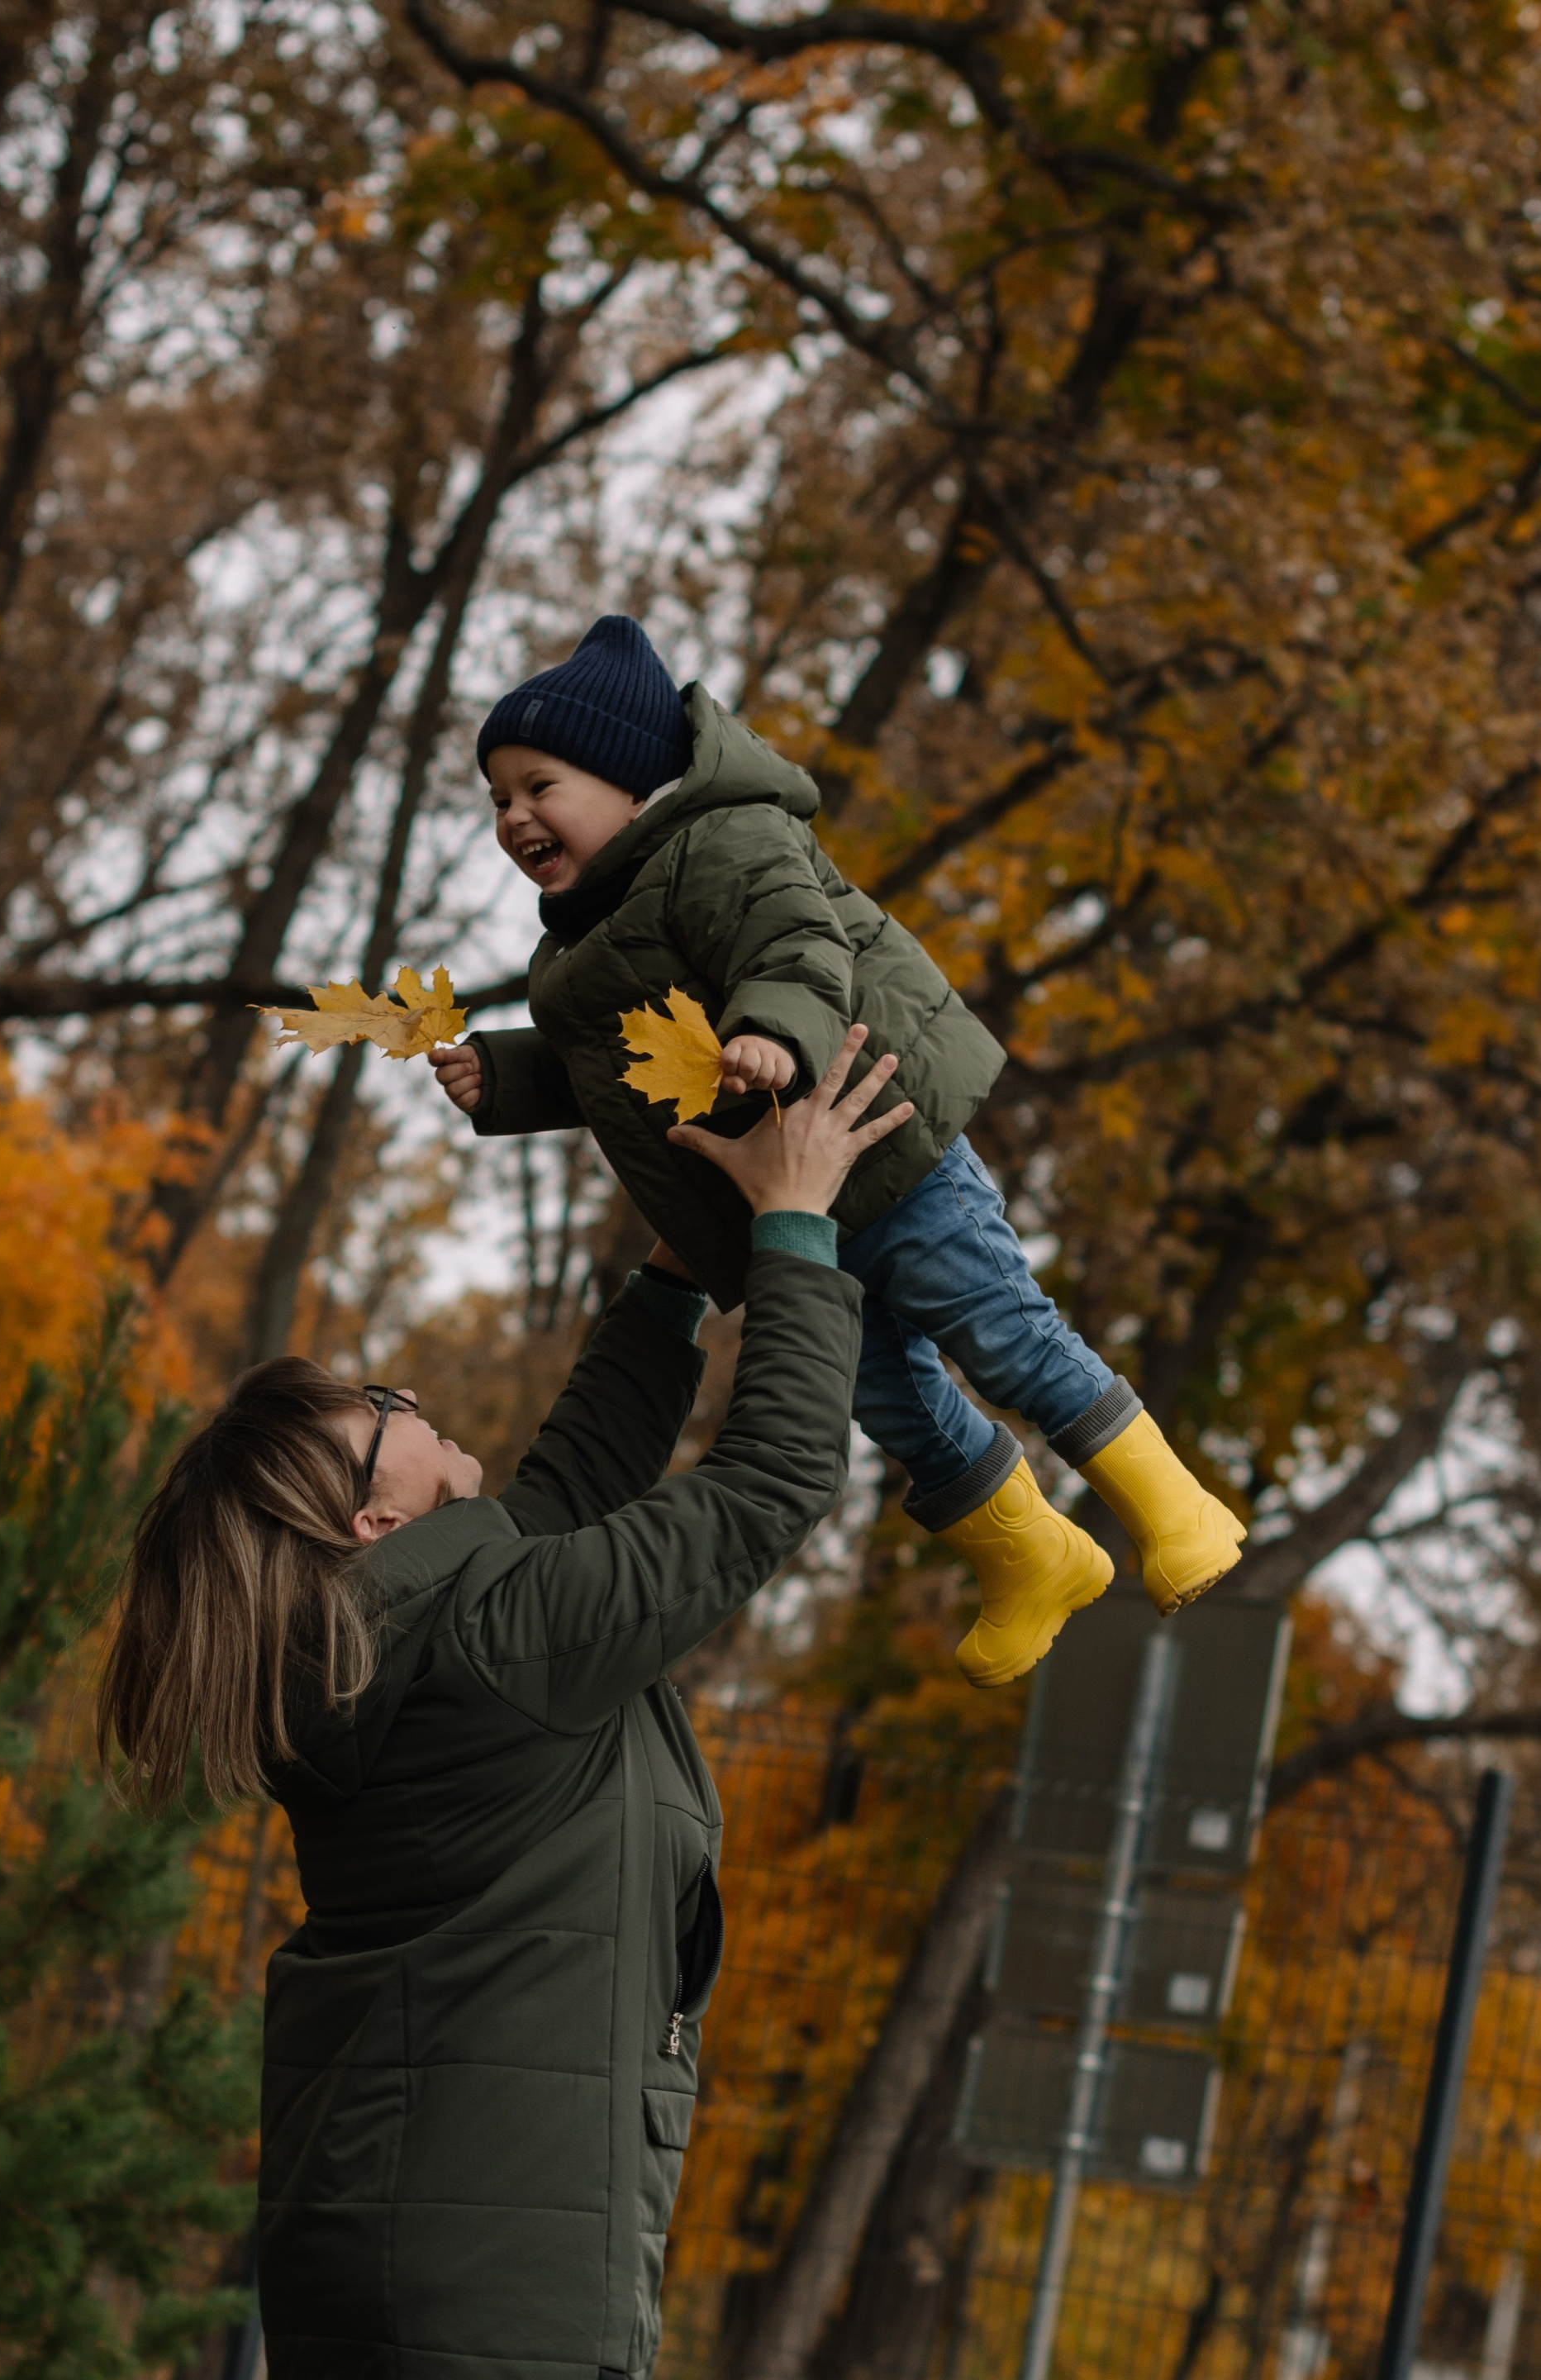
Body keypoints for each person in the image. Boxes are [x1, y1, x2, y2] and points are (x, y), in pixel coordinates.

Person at [94, 1042, 910, 2380]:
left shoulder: (412, 1629)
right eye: (397, 1417)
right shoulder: (490, 1637)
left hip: (422, 2212)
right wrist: (801, 1224)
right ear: (371, 1504)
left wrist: (676, 1269)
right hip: (492, 2224)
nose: (433, 1412)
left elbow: (570, 1475)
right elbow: (760, 1491)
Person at [431, 613, 1247, 1687]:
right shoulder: (579, 945)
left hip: (881, 1143)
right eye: (498, 800)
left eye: (541, 785)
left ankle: (1174, 1506)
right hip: (787, 1211)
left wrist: (774, 1032)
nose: (515, 816)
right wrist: (511, 1076)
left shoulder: (726, 843)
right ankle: (1032, 1556)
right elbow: (621, 1060)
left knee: (998, 1328)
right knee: (888, 1395)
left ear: (630, 781)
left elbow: (797, 945)